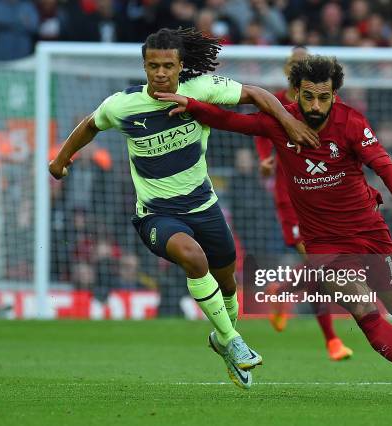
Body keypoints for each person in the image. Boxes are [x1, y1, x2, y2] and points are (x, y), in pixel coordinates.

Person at [156, 55, 392, 398]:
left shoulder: (351, 123)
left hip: (369, 231)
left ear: (334, 96)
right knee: (363, 311)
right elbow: (228, 119)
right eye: (308, 96)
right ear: (295, 93)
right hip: (323, 242)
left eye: (323, 97)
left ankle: (297, 289)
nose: (315, 105)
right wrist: (190, 104)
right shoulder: (280, 123)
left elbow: (384, 164)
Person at [49, 27, 319, 390]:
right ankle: (235, 342)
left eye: (167, 66)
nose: (160, 73)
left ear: (180, 66)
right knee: (194, 258)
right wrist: (60, 160)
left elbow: (255, 94)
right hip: (156, 215)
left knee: (228, 285)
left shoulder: (200, 89)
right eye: (153, 66)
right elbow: (90, 125)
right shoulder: (123, 105)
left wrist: (288, 122)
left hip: (204, 207)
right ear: (144, 67)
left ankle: (222, 340)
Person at [256, 46, 353, 361]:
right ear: (289, 70)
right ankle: (331, 341)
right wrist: (265, 160)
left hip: (320, 198)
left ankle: (282, 292)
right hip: (290, 197)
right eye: (295, 65)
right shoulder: (276, 103)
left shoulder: (320, 104)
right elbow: (259, 131)